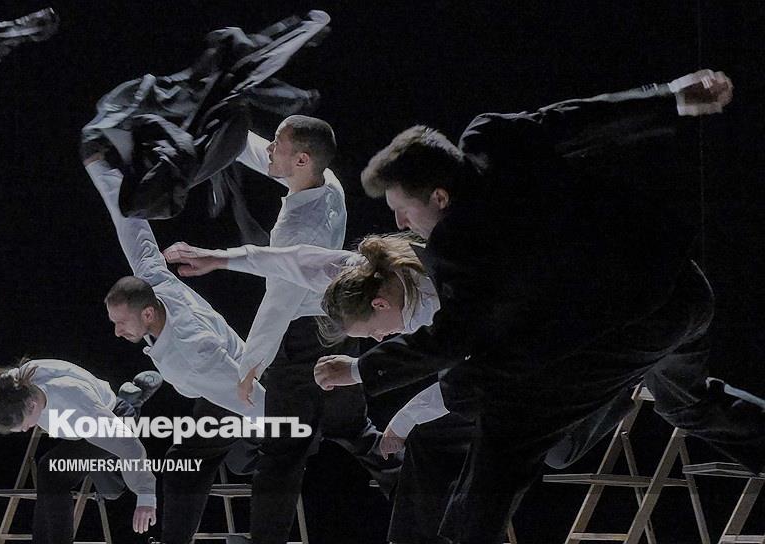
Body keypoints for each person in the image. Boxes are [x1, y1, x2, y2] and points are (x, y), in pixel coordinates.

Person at [312, 69, 765, 543]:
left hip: (630, 327)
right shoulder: (492, 138)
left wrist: (360, 370)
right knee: (691, 404)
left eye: (404, 210)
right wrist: (669, 97)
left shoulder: (458, 248)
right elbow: (581, 119)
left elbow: (451, 340)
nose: (402, 223)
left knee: (505, 433)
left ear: (440, 196)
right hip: (681, 288)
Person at [165, 235, 632, 543]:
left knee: (553, 449)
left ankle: (623, 383)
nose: (378, 338)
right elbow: (295, 261)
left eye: (373, 332)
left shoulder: (437, 305)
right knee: (430, 440)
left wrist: (400, 415)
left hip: (561, 346)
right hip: (497, 368)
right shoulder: (364, 272)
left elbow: (462, 380)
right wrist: (220, 258)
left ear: (380, 304)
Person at [184, 116, 402, 543]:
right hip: (338, 327)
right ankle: (432, 510)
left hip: (303, 336)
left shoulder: (300, 226)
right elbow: (263, 154)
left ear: (301, 159)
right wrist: (226, 132)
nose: (269, 149)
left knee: (282, 449)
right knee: (352, 430)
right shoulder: (327, 182)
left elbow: (278, 303)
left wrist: (251, 366)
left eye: (277, 145)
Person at [84, 149, 269, 544]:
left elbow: (253, 398)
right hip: (221, 383)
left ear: (148, 314)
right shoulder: (154, 281)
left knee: (233, 457)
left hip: (241, 389)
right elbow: (132, 228)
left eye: (122, 323)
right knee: (187, 460)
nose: (117, 332)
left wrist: (287, 439)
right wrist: (102, 169)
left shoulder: (191, 354)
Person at [0, 359, 159, 542]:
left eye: (23, 424)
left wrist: (146, 495)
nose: (24, 430)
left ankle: (131, 402)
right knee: (60, 473)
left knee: (102, 487)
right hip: (79, 429)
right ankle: (129, 397)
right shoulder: (14, 386)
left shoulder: (75, 401)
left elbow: (130, 447)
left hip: (112, 419)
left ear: (33, 405)